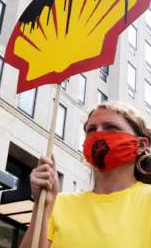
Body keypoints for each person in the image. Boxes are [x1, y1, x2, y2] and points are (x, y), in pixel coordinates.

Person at [20, 101, 151, 248]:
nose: (98, 134)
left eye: (111, 128)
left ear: (141, 145)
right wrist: (42, 206)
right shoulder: (60, 203)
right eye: (91, 130)